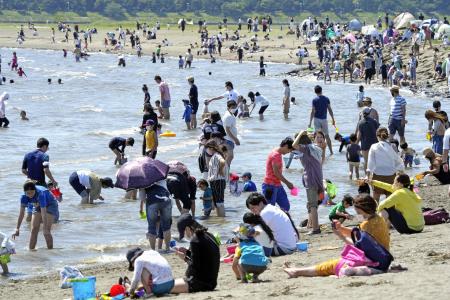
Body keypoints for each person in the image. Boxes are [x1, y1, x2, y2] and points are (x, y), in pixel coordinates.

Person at [284, 194, 389, 278]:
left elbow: (357, 246)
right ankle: (298, 270)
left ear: (362, 208)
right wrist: (341, 228)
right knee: (332, 264)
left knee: (333, 265)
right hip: (381, 257)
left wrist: (340, 235)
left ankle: (297, 272)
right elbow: (358, 234)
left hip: (374, 261)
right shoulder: (377, 219)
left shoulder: (367, 224)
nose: (355, 210)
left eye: (357, 208)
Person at [171, 213, 220, 294]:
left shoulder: (195, 240)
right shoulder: (209, 235)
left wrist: (184, 258)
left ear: (188, 228)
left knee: (166, 287)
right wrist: (187, 252)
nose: (185, 235)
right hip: (212, 282)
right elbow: (204, 258)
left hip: (200, 284)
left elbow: (194, 268)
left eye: (184, 232)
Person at [293, 131, 324, 234]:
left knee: (312, 205)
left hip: (310, 178)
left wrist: (300, 133)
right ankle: (313, 226)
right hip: (318, 178)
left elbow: (294, 145)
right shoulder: (315, 148)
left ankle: (316, 229)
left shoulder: (305, 149)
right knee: (314, 204)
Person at [12, 181, 59, 250]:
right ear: (24, 192)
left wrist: (45, 227)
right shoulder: (23, 197)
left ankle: (50, 251)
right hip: (37, 204)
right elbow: (21, 213)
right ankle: (31, 252)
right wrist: (17, 228)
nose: (30, 195)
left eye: (32, 193)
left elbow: (43, 213)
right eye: (28, 193)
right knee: (34, 229)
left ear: (35, 190)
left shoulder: (40, 194)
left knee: (46, 231)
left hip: (50, 204)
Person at [367, 127, 404, 201]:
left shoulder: (373, 146)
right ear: (387, 136)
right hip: (391, 175)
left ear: (377, 136)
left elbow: (370, 163)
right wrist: (400, 172)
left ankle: (377, 211)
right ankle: (389, 211)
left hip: (378, 175)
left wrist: (368, 176)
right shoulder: (393, 146)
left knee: (376, 197)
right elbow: (397, 161)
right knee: (389, 197)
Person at [262, 137, 294, 212]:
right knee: (269, 209)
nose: (288, 152)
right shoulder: (275, 155)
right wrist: (288, 183)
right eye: (289, 150)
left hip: (277, 185)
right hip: (269, 186)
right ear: (286, 146)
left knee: (286, 207)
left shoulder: (278, 152)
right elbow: (276, 173)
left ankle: (279, 220)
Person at [140, 180, 172, 251]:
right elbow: (168, 192)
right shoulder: (161, 176)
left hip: (152, 202)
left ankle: (153, 250)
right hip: (166, 200)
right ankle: (167, 248)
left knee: (151, 227)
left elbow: (143, 199)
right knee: (166, 226)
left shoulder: (142, 181)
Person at [308, 85, 336, 155]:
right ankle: (331, 152)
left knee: (318, 136)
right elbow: (329, 109)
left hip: (317, 119)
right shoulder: (326, 99)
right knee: (326, 136)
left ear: (315, 91)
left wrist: (310, 122)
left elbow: (313, 111)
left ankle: (319, 152)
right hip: (324, 119)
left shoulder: (314, 100)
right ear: (321, 90)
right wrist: (333, 119)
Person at [206, 140, 228, 217]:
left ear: (211, 148)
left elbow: (222, 162)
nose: (207, 150)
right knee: (219, 202)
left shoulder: (216, 155)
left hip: (216, 180)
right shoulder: (218, 154)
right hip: (219, 181)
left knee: (219, 203)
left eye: (207, 148)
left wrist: (220, 170)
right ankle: (221, 220)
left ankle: (222, 220)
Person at [357, 107, 379, 173]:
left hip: (364, 145)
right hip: (374, 144)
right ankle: (374, 176)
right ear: (369, 113)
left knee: (366, 161)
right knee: (374, 161)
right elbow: (378, 132)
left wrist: (356, 144)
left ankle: (366, 176)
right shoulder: (374, 122)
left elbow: (359, 135)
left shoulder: (360, 123)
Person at [222, 100, 240, 165]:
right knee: (230, 156)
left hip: (229, 139)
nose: (233, 109)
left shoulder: (230, 114)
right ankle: (225, 170)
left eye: (234, 107)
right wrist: (235, 139)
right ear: (228, 107)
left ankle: (225, 170)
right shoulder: (228, 116)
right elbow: (227, 129)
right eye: (232, 107)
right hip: (228, 139)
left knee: (227, 157)